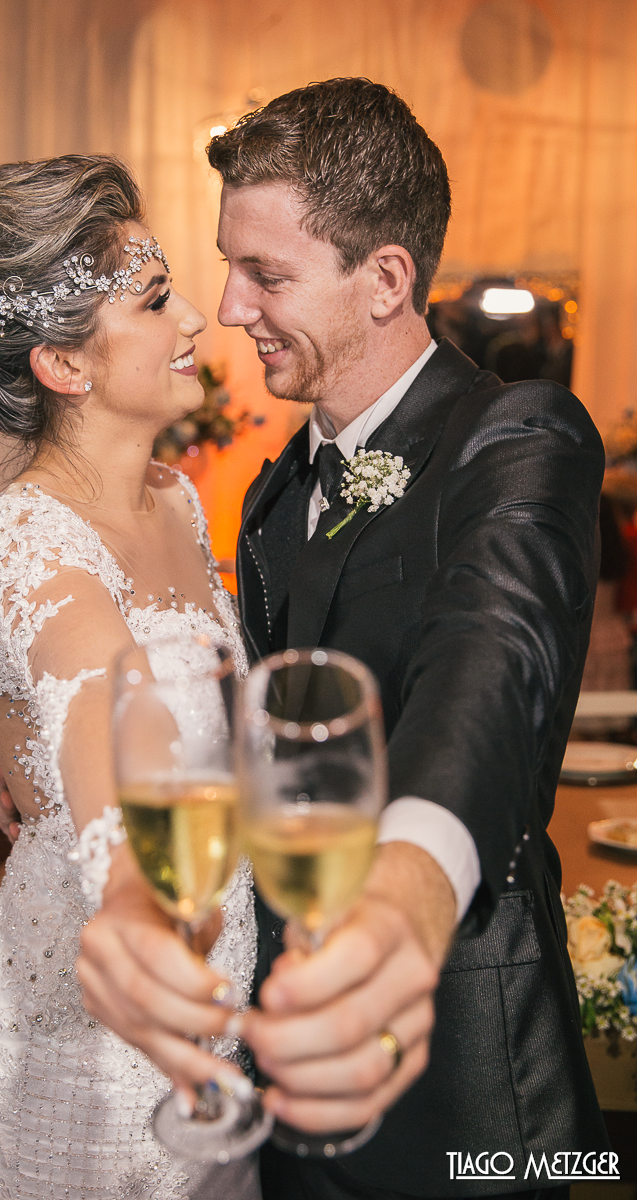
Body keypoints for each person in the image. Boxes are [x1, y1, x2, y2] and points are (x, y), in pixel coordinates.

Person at [77, 79, 609, 1200]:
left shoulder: (514, 436)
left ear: (384, 280)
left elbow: (490, 664)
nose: (228, 308)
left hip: (463, 1069)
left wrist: (402, 902)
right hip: (282, 1060)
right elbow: (264, 728)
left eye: (266, 275)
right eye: (231, 267)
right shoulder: (274, 494)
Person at [0, 155, 261, 1200]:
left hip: (209, 1018)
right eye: (156, 299)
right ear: (64, 365)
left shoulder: (177, 500)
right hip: (84, 1048)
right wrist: (132, 887)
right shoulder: (24, 538)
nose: (193, 325)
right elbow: (101, 690)